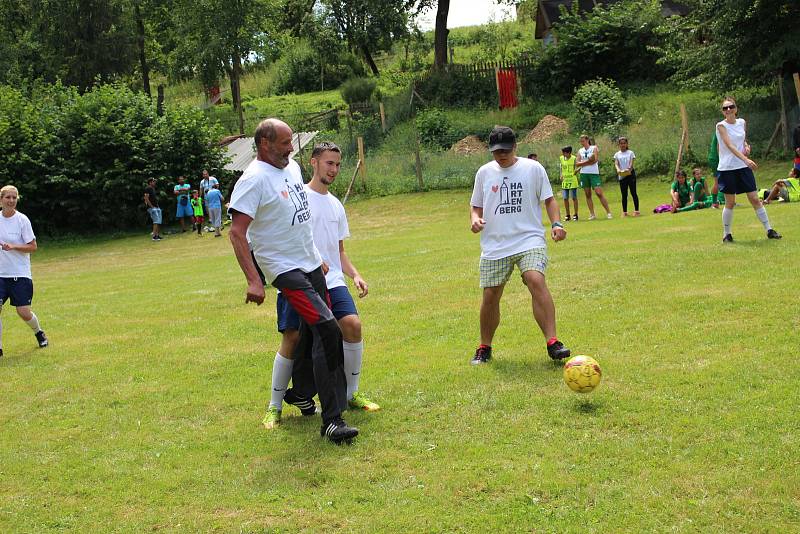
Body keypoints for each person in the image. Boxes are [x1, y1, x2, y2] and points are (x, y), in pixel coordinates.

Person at [228, 118, 358, 444]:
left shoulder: (292, 170)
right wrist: (254, 281)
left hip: (311, 264)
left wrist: (318, 257)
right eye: (285, 143)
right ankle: (332, 418)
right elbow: (237, 233)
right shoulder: (253, 181)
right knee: (328, 327)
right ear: (265, 144)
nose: (291, 149)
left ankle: (306, 398)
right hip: (285, 271)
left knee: (316, 336)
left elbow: (298, 220)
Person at [263, 142, 379, 430]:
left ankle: (351, 394)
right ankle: (274, 407)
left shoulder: (336, 205)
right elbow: (282, 234)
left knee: (352, 325)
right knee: (291, 338)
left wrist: (355, 275)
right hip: (298, 278)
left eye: (338, 165)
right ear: (313, 162)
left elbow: (338, 251)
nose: (334, 169)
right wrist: (312, 259)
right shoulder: (296, 196)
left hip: (332, 281)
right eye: (329, 163)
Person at [469, 126, 571, 365]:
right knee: (491, 295)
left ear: (515, 146)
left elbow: (549, 200)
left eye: (505, 150)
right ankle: (484, 347)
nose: (501, 155)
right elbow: (476, 205)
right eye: (496, 151)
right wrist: (475, 219)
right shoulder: (484, 173)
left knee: (536, 279)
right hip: (496, 244)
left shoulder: (533, 169)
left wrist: (556, 223)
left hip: (529, 239)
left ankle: (553, 342)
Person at [715, 96, 781, 242]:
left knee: (755, 199)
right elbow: (730, 145)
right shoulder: (720, 126)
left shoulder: (742, 122)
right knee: (730, 202)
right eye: (725, 108)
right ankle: (727, 234)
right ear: (723, 112)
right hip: (727, 168)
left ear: (736, 109)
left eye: (731, 107)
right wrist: (746, 159)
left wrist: (746, 147)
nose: (728, 110)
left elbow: (742, 140)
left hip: (742, 167)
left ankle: (769, 230)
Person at [0, 185, 48, 358]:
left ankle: (39, 332)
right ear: (1, 200)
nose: (11, 200)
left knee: (23, 312)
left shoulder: (22, 220)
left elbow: (33, 246)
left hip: (20, 274)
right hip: (0, 275)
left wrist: (13, 246)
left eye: (14, 197)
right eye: (8, 197)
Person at [575, 134, 612, 220]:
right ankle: (592, 214)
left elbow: (595, 160)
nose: (582, 143)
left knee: (599, 193)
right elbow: (577, 163)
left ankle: (608, 212)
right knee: (588, 194)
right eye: (581, 141)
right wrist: (588, 161)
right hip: (584, 174)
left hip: (594, 173)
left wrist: (583, 163)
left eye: (583, 141)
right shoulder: (580, 151)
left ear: (587, 140)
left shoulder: (594, 148)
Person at [613, 137, 639, 216]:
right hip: (622, 175)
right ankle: (624, 212)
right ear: (619, 144)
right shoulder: (617, 154)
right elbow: (616, 163)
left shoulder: (630, 153)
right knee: (624, 194)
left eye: (624, 143)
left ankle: (636, 211)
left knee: (633, 192)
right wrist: (618, 170)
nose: (623, 145)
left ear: (627, 144)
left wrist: (628, 169)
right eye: (621, 143)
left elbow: (631, 163)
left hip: (630, 174)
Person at [559, 146, 579, 221]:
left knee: (574, 197)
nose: (564, 154)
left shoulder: (574, 158)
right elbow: (561, 167)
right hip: (565, 180)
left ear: (569, 153)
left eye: (565, 153)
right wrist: (561, 174)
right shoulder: (561, 158)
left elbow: (579, 166)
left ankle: (575, 214)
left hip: (572, 180)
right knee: (565, 198)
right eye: (563, 153)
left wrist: (576, 171)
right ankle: (567, 215)